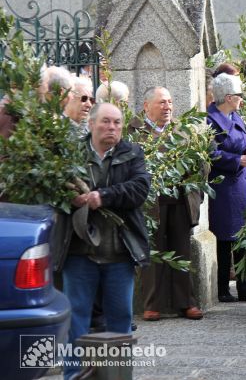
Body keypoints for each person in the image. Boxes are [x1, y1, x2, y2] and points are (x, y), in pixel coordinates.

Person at [60, 103, 151, 380]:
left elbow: (139, 189)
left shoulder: (132, 153)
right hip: (79, 252)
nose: (112, 128)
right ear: (91, 124)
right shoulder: (72, 153)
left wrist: (103, 196)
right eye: (106, 122)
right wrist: (69, 198)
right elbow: (53, 190)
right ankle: (73, 374)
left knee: (120, 318)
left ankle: (117, 375)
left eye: (117, 123)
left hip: (118, 253)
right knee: (76, 319)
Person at [133, 87, 204, 321]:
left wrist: (196, 189)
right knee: (153, 255)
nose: (168, 107)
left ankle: (186, 303)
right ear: (146, 106)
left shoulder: (183, 130)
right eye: (162, 103)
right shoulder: (134, 131)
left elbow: (200, 164)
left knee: (182, 251)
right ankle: (153, 304)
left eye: (170, 102)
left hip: (179, 201)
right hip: (150, 203)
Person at [207, 74, 246, 303]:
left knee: (242, 234)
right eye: (239, 96)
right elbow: (209, 153)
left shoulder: (235, 115)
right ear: (229, 97)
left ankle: (245, 287)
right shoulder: (210, 121)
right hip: (222, 184)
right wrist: (235, 160)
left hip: (239, 183)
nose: (242, 99)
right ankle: (221, 288)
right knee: (223, 236)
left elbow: (240, 142)